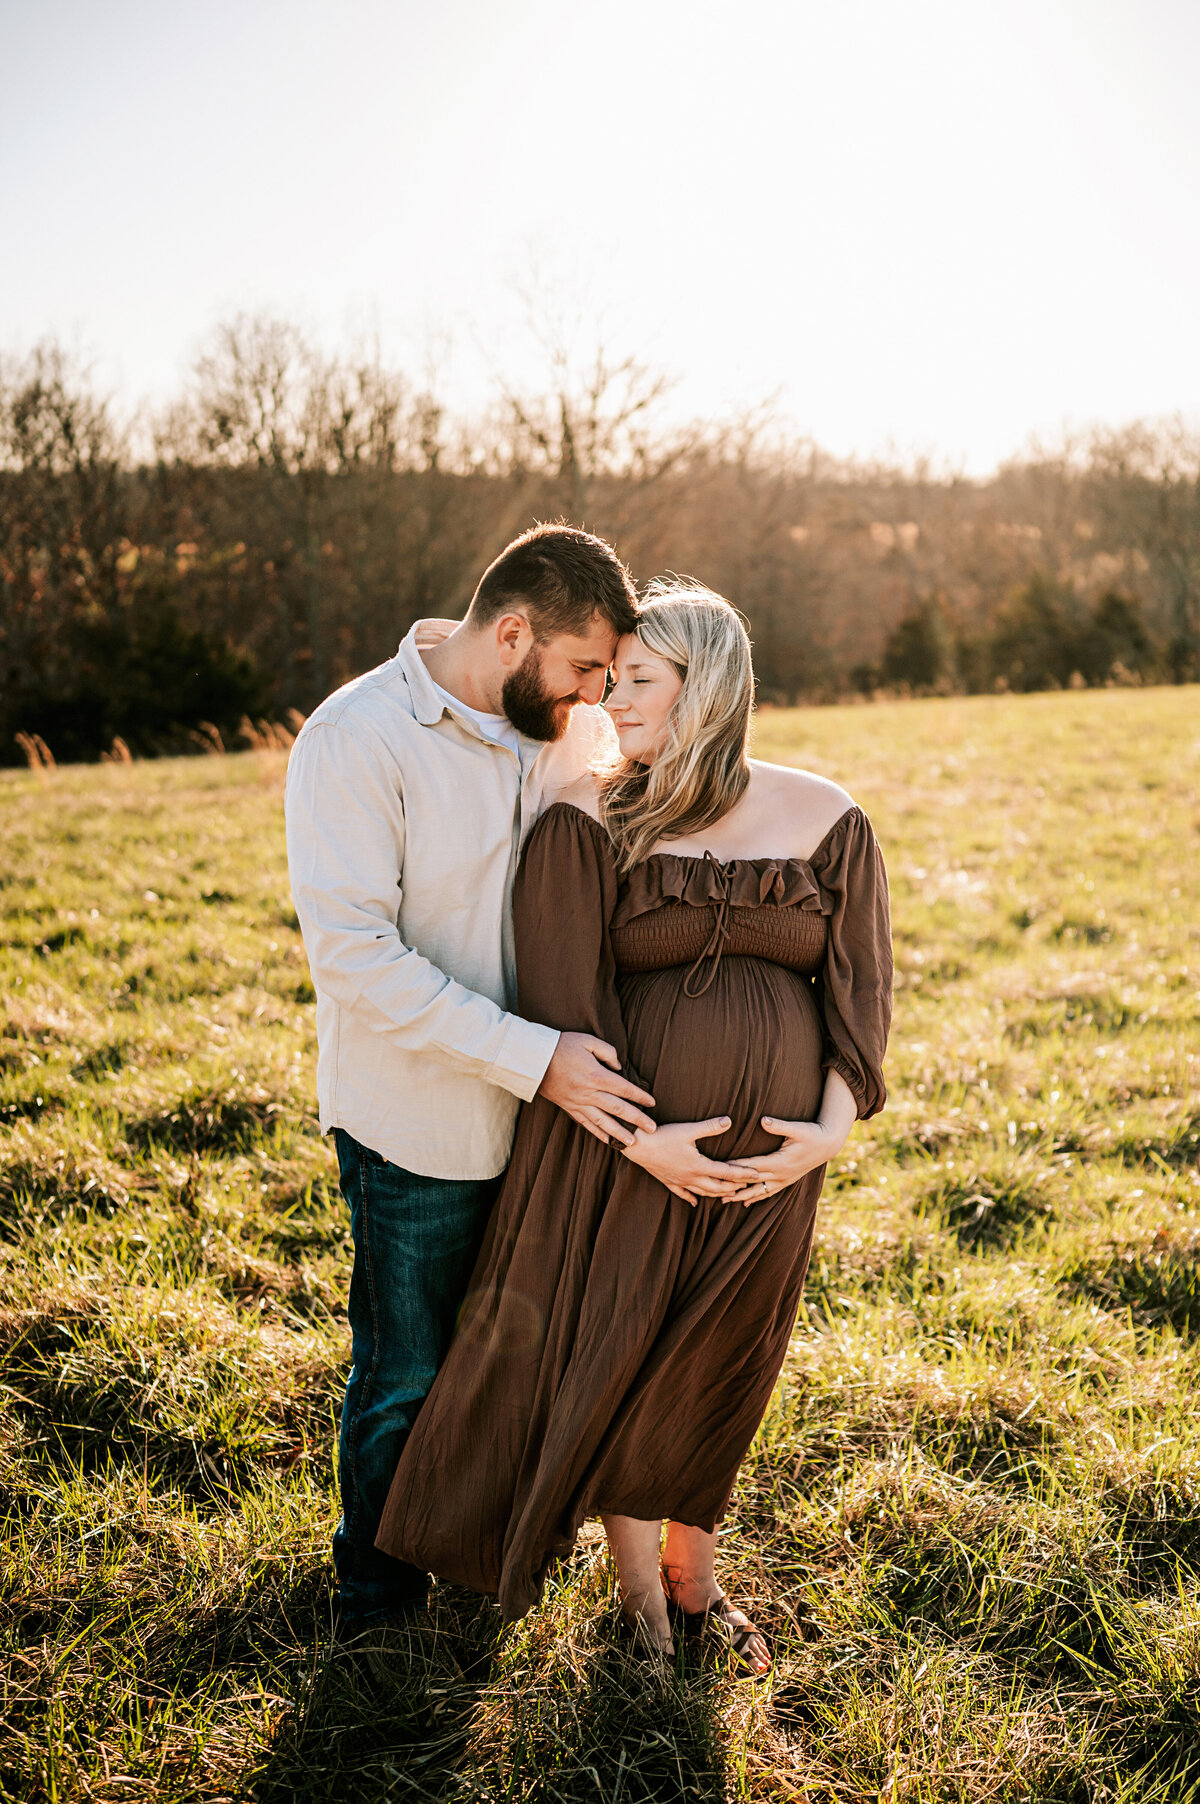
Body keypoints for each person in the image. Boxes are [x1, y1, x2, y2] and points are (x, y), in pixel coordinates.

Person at [375, 581, 893, 1676]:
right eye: (605, 682)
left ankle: (695, 1577)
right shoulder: (588, 821)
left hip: (776, 1166)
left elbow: (862, 998)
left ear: (707, 688)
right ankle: (639, 1603)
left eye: (638, 682)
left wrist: (828, 1134)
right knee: (630, 1356)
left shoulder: (826, 816)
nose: (610, 704)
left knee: (725, 1365)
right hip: (633, 1157)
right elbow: (570, 1010)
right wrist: (645, 1145)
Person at [285, 527, 737, 1646]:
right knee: (408, 1369)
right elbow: (354, 956)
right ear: (511, 633)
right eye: (588, 667)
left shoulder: (558, 721)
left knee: (515, 1360)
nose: (599, 695)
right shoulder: (357, 737)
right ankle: (377, 1605)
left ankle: (477, 1561)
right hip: (423, 1123)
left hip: (555, 1129)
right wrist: (538, 1059)